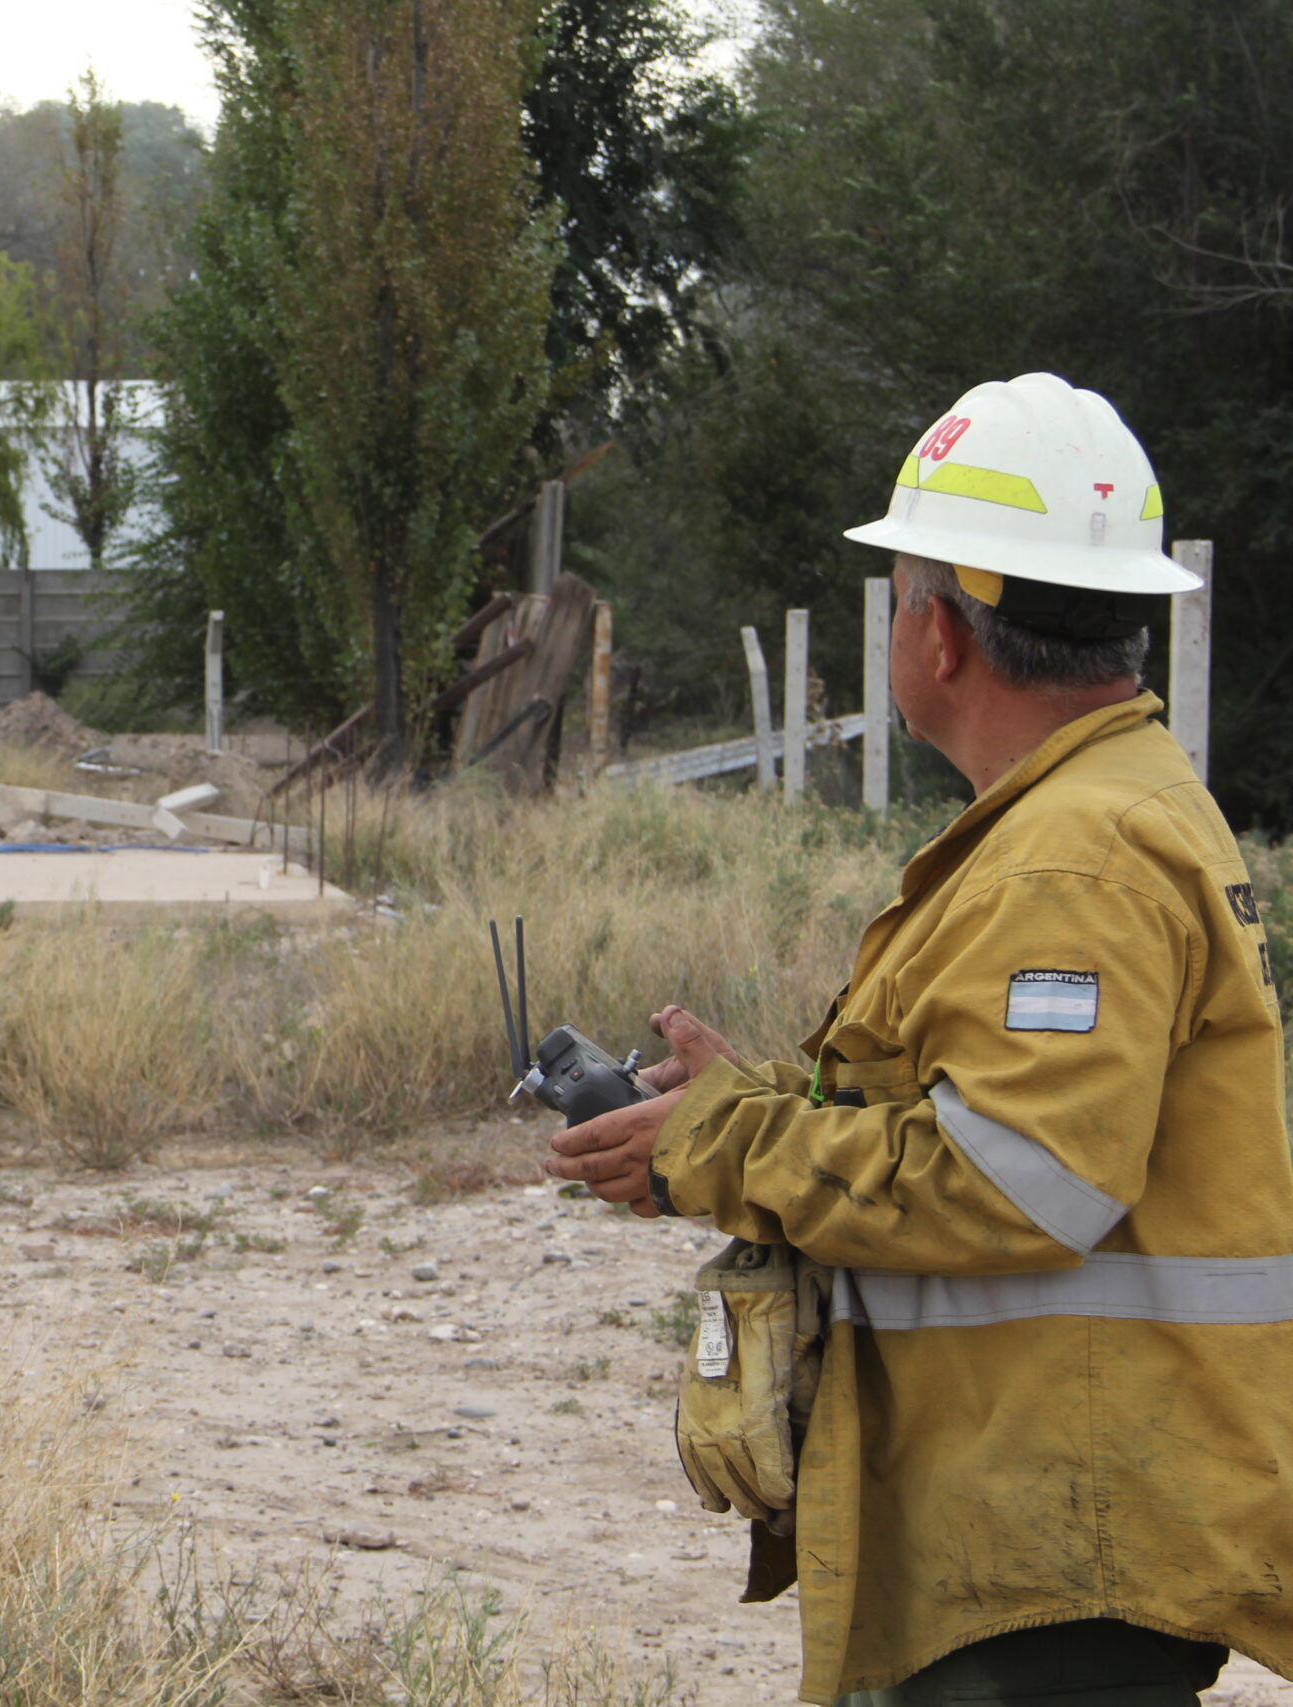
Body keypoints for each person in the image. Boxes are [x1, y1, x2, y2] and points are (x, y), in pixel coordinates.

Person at [544, 373, 1292, 1707]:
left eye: (900, 597)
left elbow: (1019, 1181)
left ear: (938, 634)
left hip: (1055, 1537)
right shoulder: (1096, 814)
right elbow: (981, 1109)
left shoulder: (1075, 859)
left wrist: (724, 1144)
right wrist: (750, 1105)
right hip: (1039, 1502)